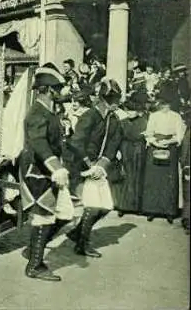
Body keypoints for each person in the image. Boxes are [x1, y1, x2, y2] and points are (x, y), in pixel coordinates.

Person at [18, 63, 73, 282]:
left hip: (48, 171)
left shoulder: (50, 112)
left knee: (65, 213)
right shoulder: (36, 112)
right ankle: (35, 265)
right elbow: (39, 142)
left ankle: (33, 249)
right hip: (37, 171)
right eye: (58, 88)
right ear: (49, 90)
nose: (61, 93)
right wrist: (56, 167)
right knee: (44, 216)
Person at [65, 78, 123, 258]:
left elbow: (114, 145)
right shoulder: (90, 116)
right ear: (104, 99)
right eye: (113, 100)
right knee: (94, 205)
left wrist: (101, 165)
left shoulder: (114, 120)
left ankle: (77, 233)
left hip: (99, 167)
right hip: (82, 165)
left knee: (106, 206)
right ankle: (82, 244)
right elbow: (75, 142)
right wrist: (89, 165)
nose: (117, 103)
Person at [141, 92, 186, 222]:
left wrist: (169, 142)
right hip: (155, 147)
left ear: (171, 104)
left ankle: (169, 211)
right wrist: (154, 142)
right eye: (162, 104)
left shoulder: (176, 116)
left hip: (170, 147)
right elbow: (149, 132)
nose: (164, 107)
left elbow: (179, 135)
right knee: (154, 179)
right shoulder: (154, 116)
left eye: (167, 104)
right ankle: (152, 210)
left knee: (168, 181)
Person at [115, 90, 149, 216]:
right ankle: (123, 206)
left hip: (139, 150)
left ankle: (137, 206)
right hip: (126, 149)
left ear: (138, 111)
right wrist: (118, 151)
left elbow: (147, 137)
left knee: (138, 177)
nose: (130, 113)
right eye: (128, 110)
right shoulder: (122, 122)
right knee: (126, 177)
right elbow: (117, 138)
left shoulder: (143, 121)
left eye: (133, 110)